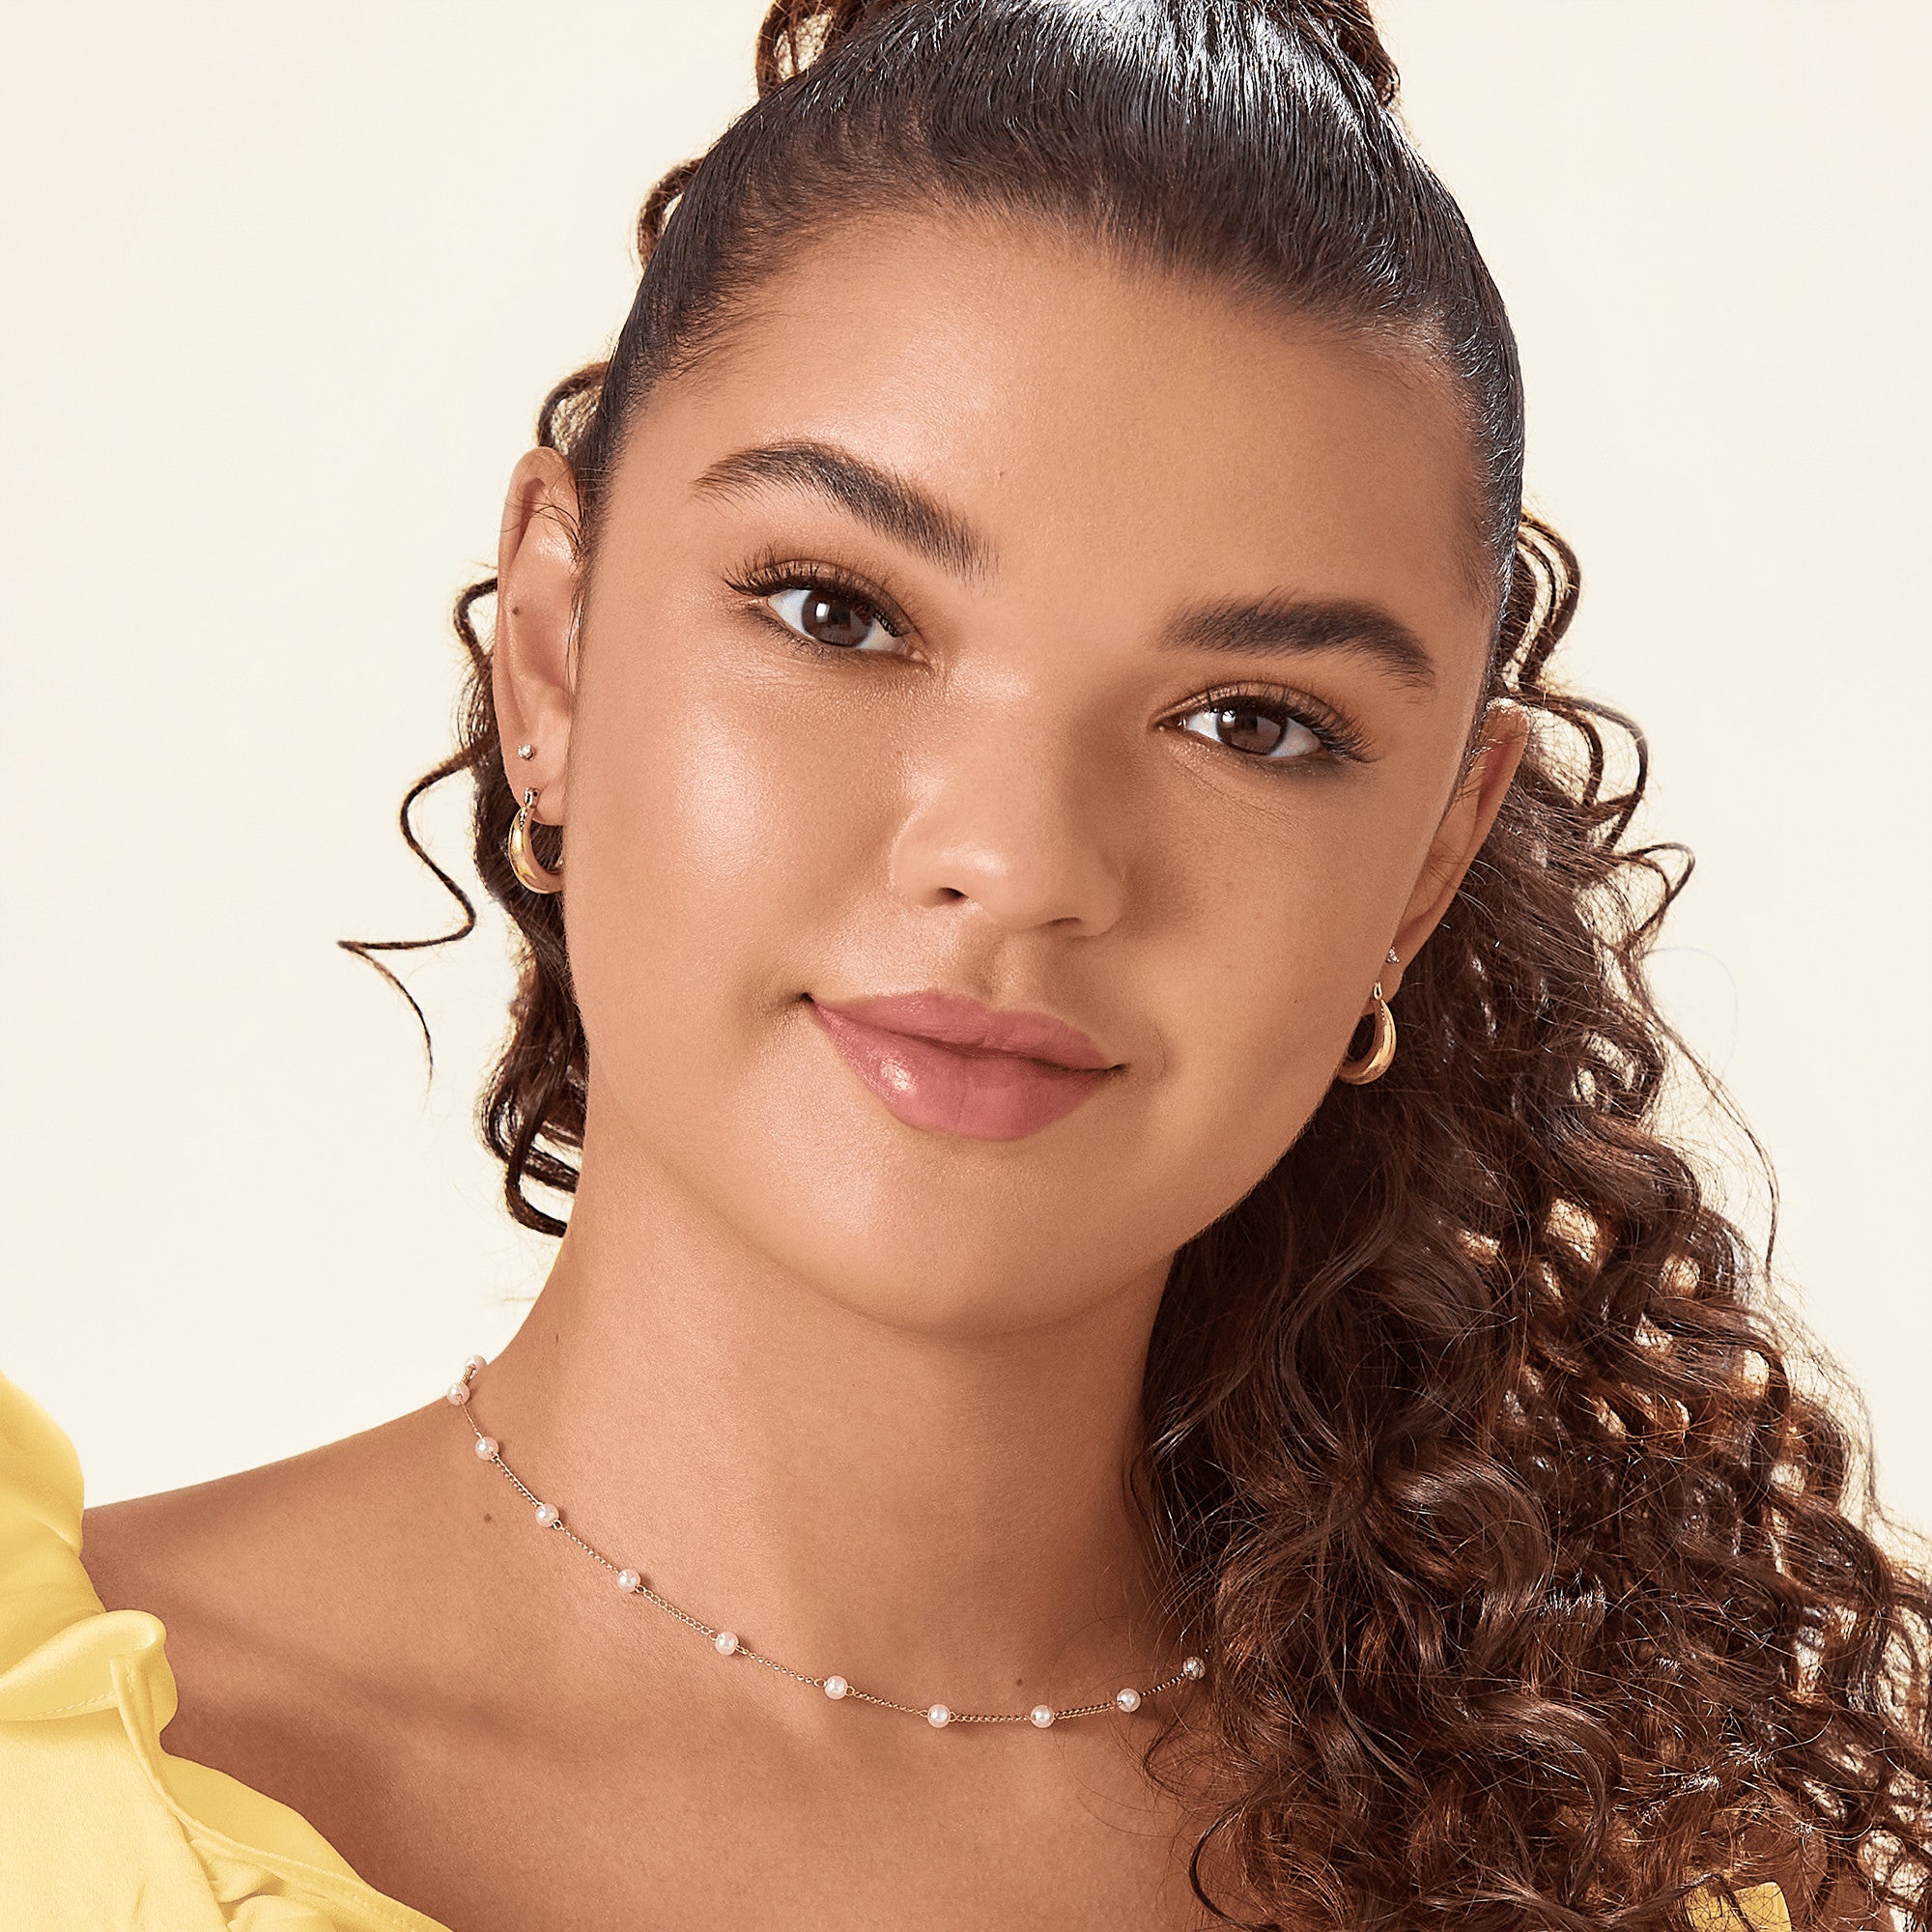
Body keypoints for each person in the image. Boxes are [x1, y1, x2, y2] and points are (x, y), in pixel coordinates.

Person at [2, 1, 1925, 1926]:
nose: (1017, 862)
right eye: (838, 610)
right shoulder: (46, 1787)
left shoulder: (1678, 1881)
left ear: (1426, 858)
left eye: (1253, 720)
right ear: (556, 653)